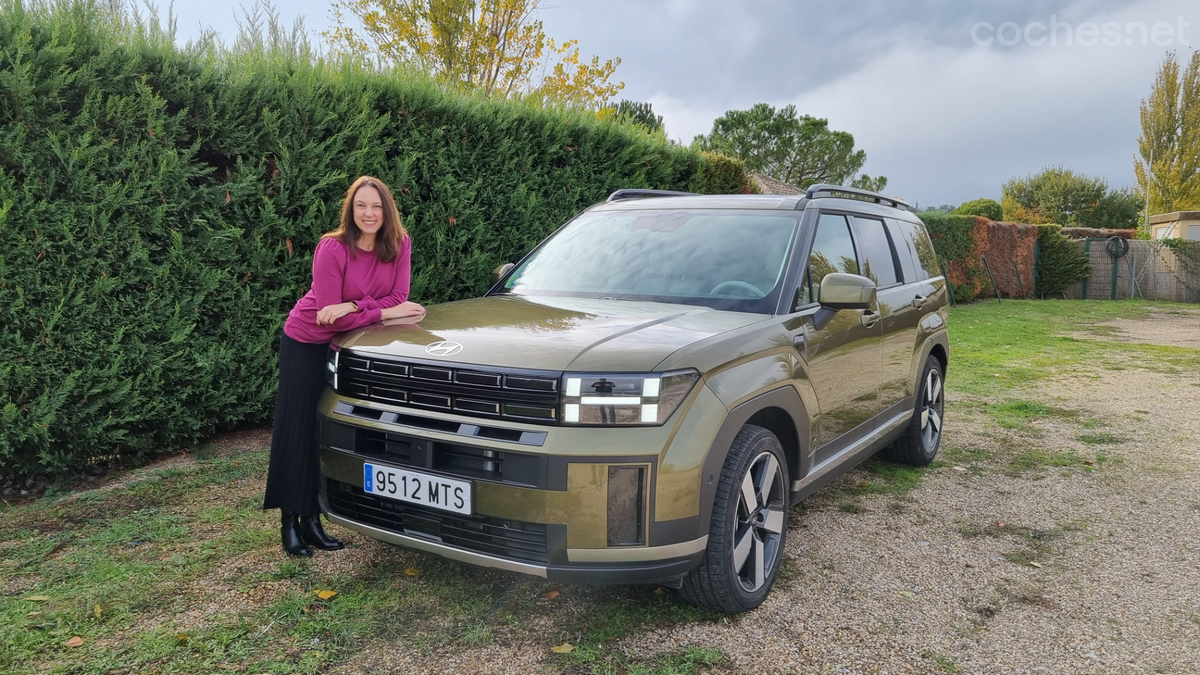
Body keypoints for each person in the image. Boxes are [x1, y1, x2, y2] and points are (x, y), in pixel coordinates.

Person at [263, 176, 425, 557]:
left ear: (387, 210)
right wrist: (377, 311)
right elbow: (326, 318)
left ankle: (314, 520)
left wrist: (354, 307)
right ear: (351, 211)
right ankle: (290, 522)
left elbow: (400, 297)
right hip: (306, 343)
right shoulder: (332, 248)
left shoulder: (400, 244)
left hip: (352, 345)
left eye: (376, 206)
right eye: (361, 206)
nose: (369, 214)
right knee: (298, 428)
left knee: (330, 430)